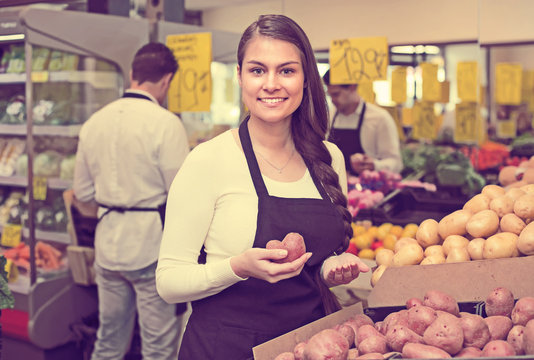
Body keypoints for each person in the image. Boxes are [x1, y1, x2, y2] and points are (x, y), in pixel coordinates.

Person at [156, 14, 370, 360]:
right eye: (258, 70)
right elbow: (168, 282)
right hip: (225, 347)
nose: (271, 84)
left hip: (311, 345)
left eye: (286, 70)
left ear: (305, 78)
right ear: (239, 76)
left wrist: (331, 267)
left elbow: (318, 263)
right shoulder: (209, 160)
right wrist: (237, 266)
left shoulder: (329, 157)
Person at [73, 42, 190, 360]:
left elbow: (82, 194)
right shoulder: (166, 124)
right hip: (151, 246)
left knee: (109, 341)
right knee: (158, 346)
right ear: (166, 81)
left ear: (131, 75)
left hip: (107, 246)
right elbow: (182, 194)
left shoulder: (94, 123)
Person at [322, 70, 403, 175]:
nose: (332, 100)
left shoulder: (380, 118)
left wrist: (375, 165)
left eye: (336, 94)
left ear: (352, 87)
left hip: (368, 188)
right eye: (330, 95)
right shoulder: (328, 117)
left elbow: (396, 163)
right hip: (333, 187)